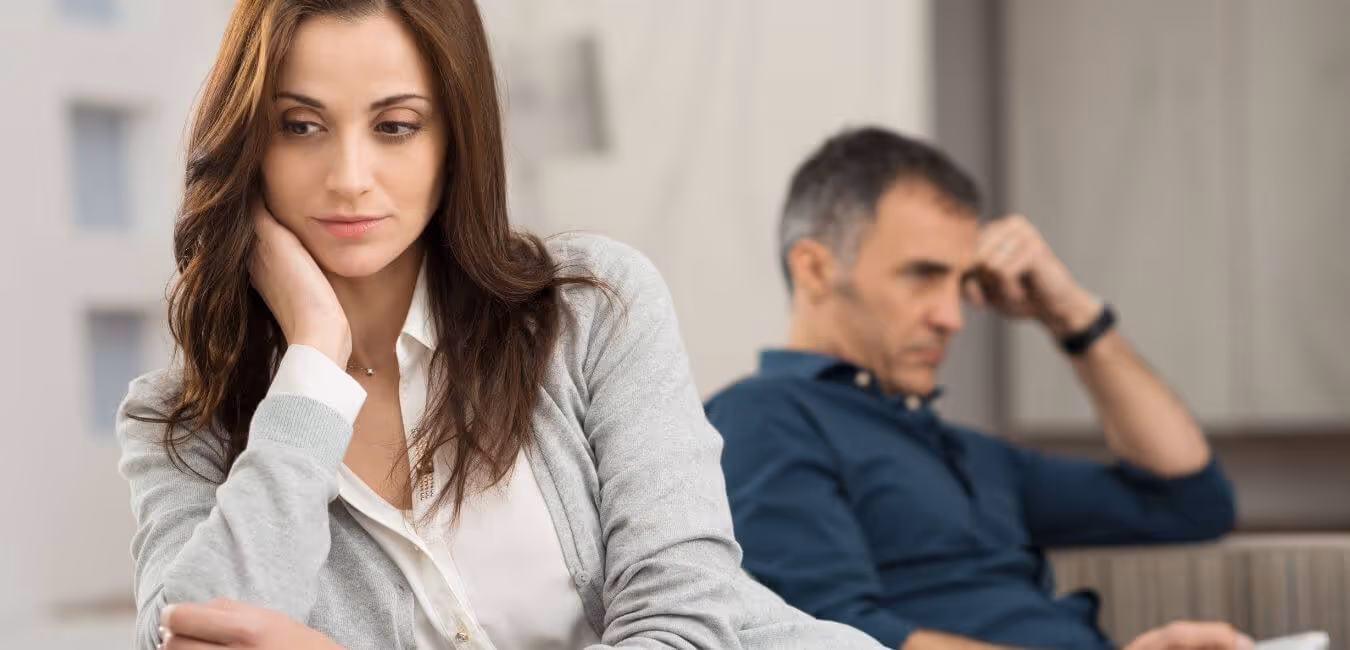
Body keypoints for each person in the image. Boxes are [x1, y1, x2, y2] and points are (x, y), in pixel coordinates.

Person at [116, 2, 883, 649]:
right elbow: (195, 634)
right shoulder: (179, 422)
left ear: (456, 139)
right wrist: (314, 358)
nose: (349, 178)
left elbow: (682, 621)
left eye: (396, 126)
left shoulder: (594, 307)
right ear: (250, 144)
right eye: (300, 126)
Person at [705, 127, 1250, 650]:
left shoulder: (967, 451)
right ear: (815, 269)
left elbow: (1189, 501)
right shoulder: (761, 418)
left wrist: (1070, 315)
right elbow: (837, 637)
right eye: (922, 275)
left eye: (962, 283)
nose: (953, 317)